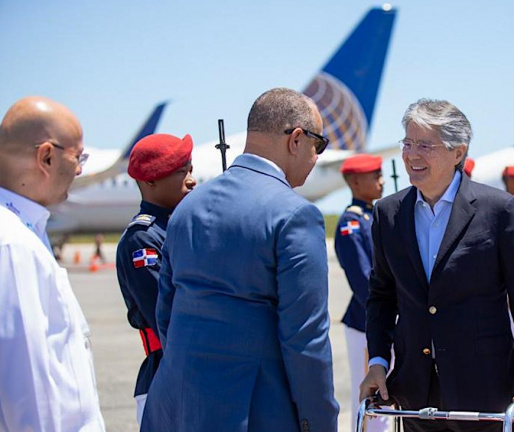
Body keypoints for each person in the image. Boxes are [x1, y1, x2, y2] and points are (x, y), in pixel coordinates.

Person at [141, 88, 339, 432]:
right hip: (253, 412)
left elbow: (166, 312)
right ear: (295, 139)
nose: (317, 156)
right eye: (317, 145)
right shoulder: (294, 215)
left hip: (174, 407)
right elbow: (306, 341)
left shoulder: (188, 206)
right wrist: (319, 423)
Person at [361, 98, 514, 432]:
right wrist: (378, 361)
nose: (411, 155)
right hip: (415, 394)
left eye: (424, 145)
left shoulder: (498, 211)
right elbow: (381, 296)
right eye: (407, 143)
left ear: (458, 152)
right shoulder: (388, 214)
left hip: (484, 392)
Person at [0, 96, 105, 431]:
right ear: (46, 156)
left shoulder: (26, 230)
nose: (80, 169)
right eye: (79, 157)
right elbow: (30, 397)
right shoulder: (14, 246)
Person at [115, 133, 196, 426]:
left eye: (190, 169)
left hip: (199, 371)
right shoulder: (143, 240)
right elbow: (167, 316)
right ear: (150, 181)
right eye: (180, 172)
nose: (191, 179)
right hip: (167, 376)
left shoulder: (181, 227)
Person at [334, 154, 390, 432]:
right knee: (372, 400)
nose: (381, 182)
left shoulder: (373, 216)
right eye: (375, 176)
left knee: (388, 399)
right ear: (356, 181)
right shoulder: (351, 223)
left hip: (387, 320)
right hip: (366, 322)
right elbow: (362, 282)